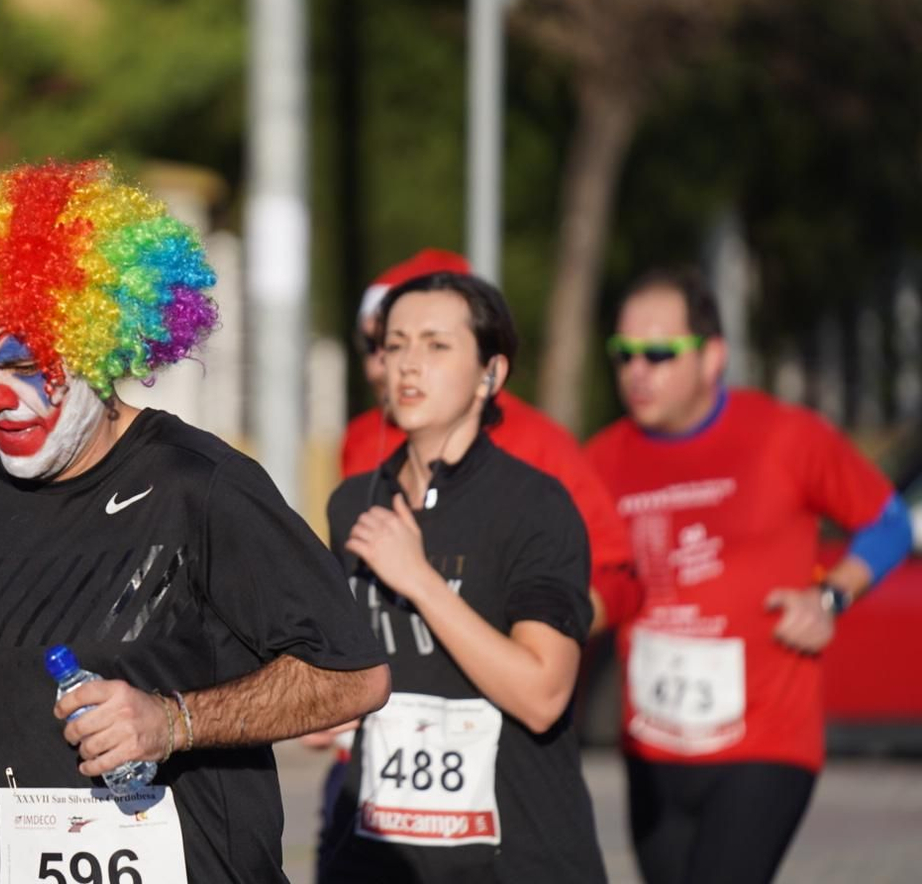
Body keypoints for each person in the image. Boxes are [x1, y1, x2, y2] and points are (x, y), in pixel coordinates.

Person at [0, 159, 391, 884]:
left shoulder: (201, 487)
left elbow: (355, 676)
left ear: (99, 344)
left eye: (27, 364)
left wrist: (170, 721)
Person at [585, 267, 914, 884]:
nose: (637, 370)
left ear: (712, 357)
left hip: (765, 743)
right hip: (653, 745)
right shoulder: (601, 460)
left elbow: (890, 523)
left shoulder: (783, 437)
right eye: (624, 353)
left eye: (659, 353)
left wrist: (831, 595)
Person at [318, 271, 606, 883]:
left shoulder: (536, 506)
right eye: (394, 345)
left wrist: (418, 579)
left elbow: (543, 695)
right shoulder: (352, 503)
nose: (408, 365)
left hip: (515, 853)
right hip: (382, 853)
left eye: (436, 344)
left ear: (491, 375)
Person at [342, 250, 639, 634]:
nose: (385, 364)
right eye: (381, 345)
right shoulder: (362, 439)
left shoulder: (539, 442)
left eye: (435, 344)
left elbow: (616, 578)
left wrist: (527, 640)